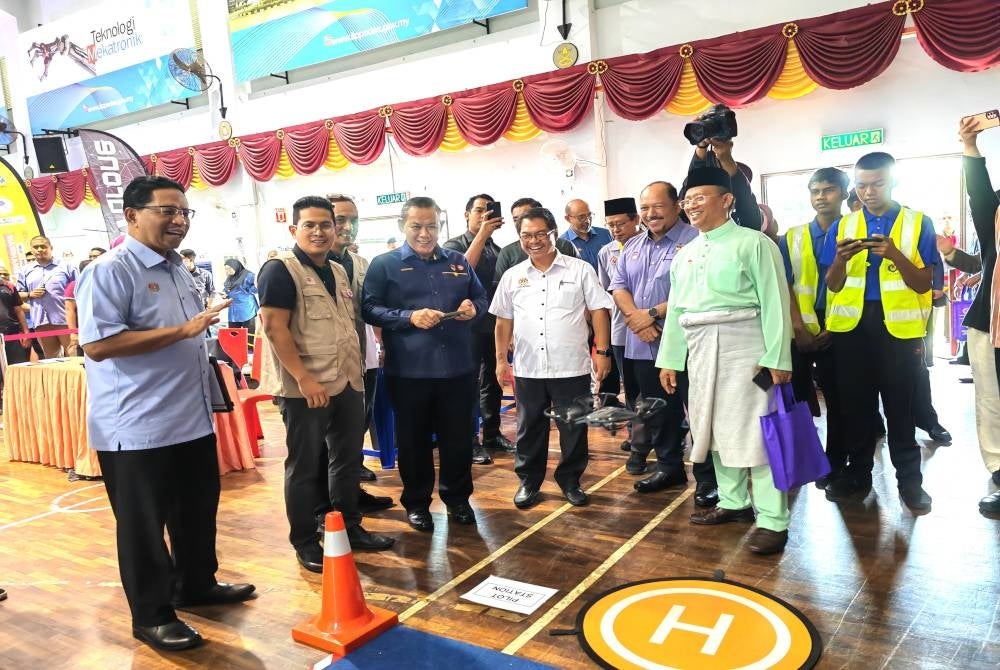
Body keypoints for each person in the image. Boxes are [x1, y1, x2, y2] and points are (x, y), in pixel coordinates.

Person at [77, 176, 254, 652]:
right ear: (131, 215)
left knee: (197, 513)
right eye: (166, 211)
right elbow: (97, 344)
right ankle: (152, 615)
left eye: (184, 212)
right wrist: (183, 331)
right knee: (143, 528)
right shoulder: (111, 271)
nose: (178, 220)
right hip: (136, 428)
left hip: (190, 419)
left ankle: (196, 585)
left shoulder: (179, 270)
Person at [657, 167, 793, 555]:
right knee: (712, 428)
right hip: (700, 350)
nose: (691, 205)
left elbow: (775, 303)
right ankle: (734, 503)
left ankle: (773, 519)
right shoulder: (685, 255)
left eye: (700, 197)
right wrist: (670, 359)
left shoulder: (754, 244)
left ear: (727, 200)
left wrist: (778, 357)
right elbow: (679, 310)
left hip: (747, 348)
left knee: (756, 433)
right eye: (687, 200)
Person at [258, 196, 395, 570]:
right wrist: (303, 378)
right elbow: (274, 328)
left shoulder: (337, 270)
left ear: (335, 229)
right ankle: (305, 541)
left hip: (349, 382)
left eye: (325, 225)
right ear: (294, 230)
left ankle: (350, 527)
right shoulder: (279, 270)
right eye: (310, 225)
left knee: (347, 462)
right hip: (306, 388)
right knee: (304, 467)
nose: (319, 232)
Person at [820, 152, 939, 511]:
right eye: (861, 185)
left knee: (900, 411)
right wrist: (841, 258)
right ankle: (858, 476)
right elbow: (833, 284)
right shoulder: (843, 226)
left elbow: (923, 284)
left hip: (898, 332)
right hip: (852, 331)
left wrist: (895, 255)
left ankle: (910, 483)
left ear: (894, 181)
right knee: (857, 409)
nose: (868, 192)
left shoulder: (918, 223)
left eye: (877, 184)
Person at [362, 196, 487, 532]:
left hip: (458, 370)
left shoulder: (459, 261)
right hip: (410, 373)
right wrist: (409, 317)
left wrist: (473, 306)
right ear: (403, 225)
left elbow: (480, 297)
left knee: (458, 440)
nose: (424, 233)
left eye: (431, 226)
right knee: (414, 443)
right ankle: (417, 504)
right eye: (416, 225)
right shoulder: (383, 264)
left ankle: (458, 499)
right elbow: (369, 308)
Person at [493, 207, 613, 508]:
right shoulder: (512, 276)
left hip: (571, 365)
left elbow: (599, 310)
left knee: (573, 427)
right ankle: (529, 482)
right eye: (526, 236)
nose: (534, 241)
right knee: (529, 427)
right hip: (529, 368)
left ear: (553, 234)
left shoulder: (579, 269)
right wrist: (500, 360)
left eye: (540, 234)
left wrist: (602, 351)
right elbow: (503, 321)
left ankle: (570, 480)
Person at [610, 182, 719, 506]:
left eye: (657, 207)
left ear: (677, 206)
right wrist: (636, 319)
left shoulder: (697, 241)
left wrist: (653, 313)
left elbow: (701, 289)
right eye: (644, 208)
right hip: (643, 345)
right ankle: (669, 467)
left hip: (687, 345)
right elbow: (618, 286)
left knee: (699, 412)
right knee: (659, 412)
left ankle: (707, 478)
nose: (650, 214)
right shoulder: (631, 246)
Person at [779, 168, 849, 486]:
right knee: (795, 398)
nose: (821, 197)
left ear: (845, 194)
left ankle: (834, 461)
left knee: (838, 399)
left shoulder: (855, 232)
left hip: (841, 329)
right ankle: (801, 458)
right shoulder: (792, 237)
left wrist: (835, 328)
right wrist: (797, 326)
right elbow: (784, 286)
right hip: (800, 330)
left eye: (829, 190)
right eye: (815, 190)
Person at [327, 193, 395, 489]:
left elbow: (373, 308)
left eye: (353, 220)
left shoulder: (361, 262)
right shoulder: (302, 265)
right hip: (325, 364)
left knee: (359, 420)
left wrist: (383, 342)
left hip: (362, 354)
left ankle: (353, 475)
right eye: (339, 219)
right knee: (329, 434)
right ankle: (331, 501)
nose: (347, 226)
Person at [444, 194, 515, 465]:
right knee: (468, 385)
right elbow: (460, 271)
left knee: (494, 382)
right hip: (464, 327)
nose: (484, 215)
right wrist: (483, 234)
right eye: (478, 210)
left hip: (492, 324)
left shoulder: (496, 249)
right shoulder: (453, 245)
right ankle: (469, 440)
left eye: (489, 211)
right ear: (466, 215)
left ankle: (492, 434)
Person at [956, 117, 1000, 515]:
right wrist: (970, 146)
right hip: (992, 319)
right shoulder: (997, 209)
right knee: (993, 402)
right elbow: (980, 196)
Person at [598, 198, 643, 452]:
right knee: (630, 385)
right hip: (621, 331)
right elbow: (606, 292)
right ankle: (635, 434)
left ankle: (668, 431)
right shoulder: (607, 252)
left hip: (653, 326)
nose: (616, 230)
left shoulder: (650, 245)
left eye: (621, 223)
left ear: (635, 219)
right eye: (611, 225)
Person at [493, 198, 579, 291]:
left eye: (526, 216)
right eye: (516, 219)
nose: (522, 221)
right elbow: (500, 291)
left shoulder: (566, 247)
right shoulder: (507, 253)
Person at [16, 235, 76, 358]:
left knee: (75, 356)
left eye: (43, 246)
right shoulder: (25, 270)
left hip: (65, 320)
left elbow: (79, 290)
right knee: (52, 359)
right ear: (32, 250)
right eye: (36, 247)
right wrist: (30, 294)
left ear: (51, 248)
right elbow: (18, 295)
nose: (39, 249)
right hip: (41, 322)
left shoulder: (66, 266)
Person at [560, 199, 613, 270]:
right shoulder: (563, 245)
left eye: (589, 215)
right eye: (581, 217)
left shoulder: (606, 234)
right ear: (568, 218)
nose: (587, 220)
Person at [0, 264, 31, 366]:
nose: (2, 276)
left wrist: (26, 332)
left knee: (18, 368)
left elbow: (19, 310)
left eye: (5, 274)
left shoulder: (9, 286)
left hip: (11, 334)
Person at [222, 259, 258, 335]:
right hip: (234, 310)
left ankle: (249, 347)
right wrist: (225, 294)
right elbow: (227, 288)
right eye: (226, 269)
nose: (227, 271)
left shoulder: (248, 275)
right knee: (234, 334)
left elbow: (255, 289)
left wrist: (247, 289)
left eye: (229, 268)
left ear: (236, 266)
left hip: (247, 309)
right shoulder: (230, 278)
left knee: (249, 335)